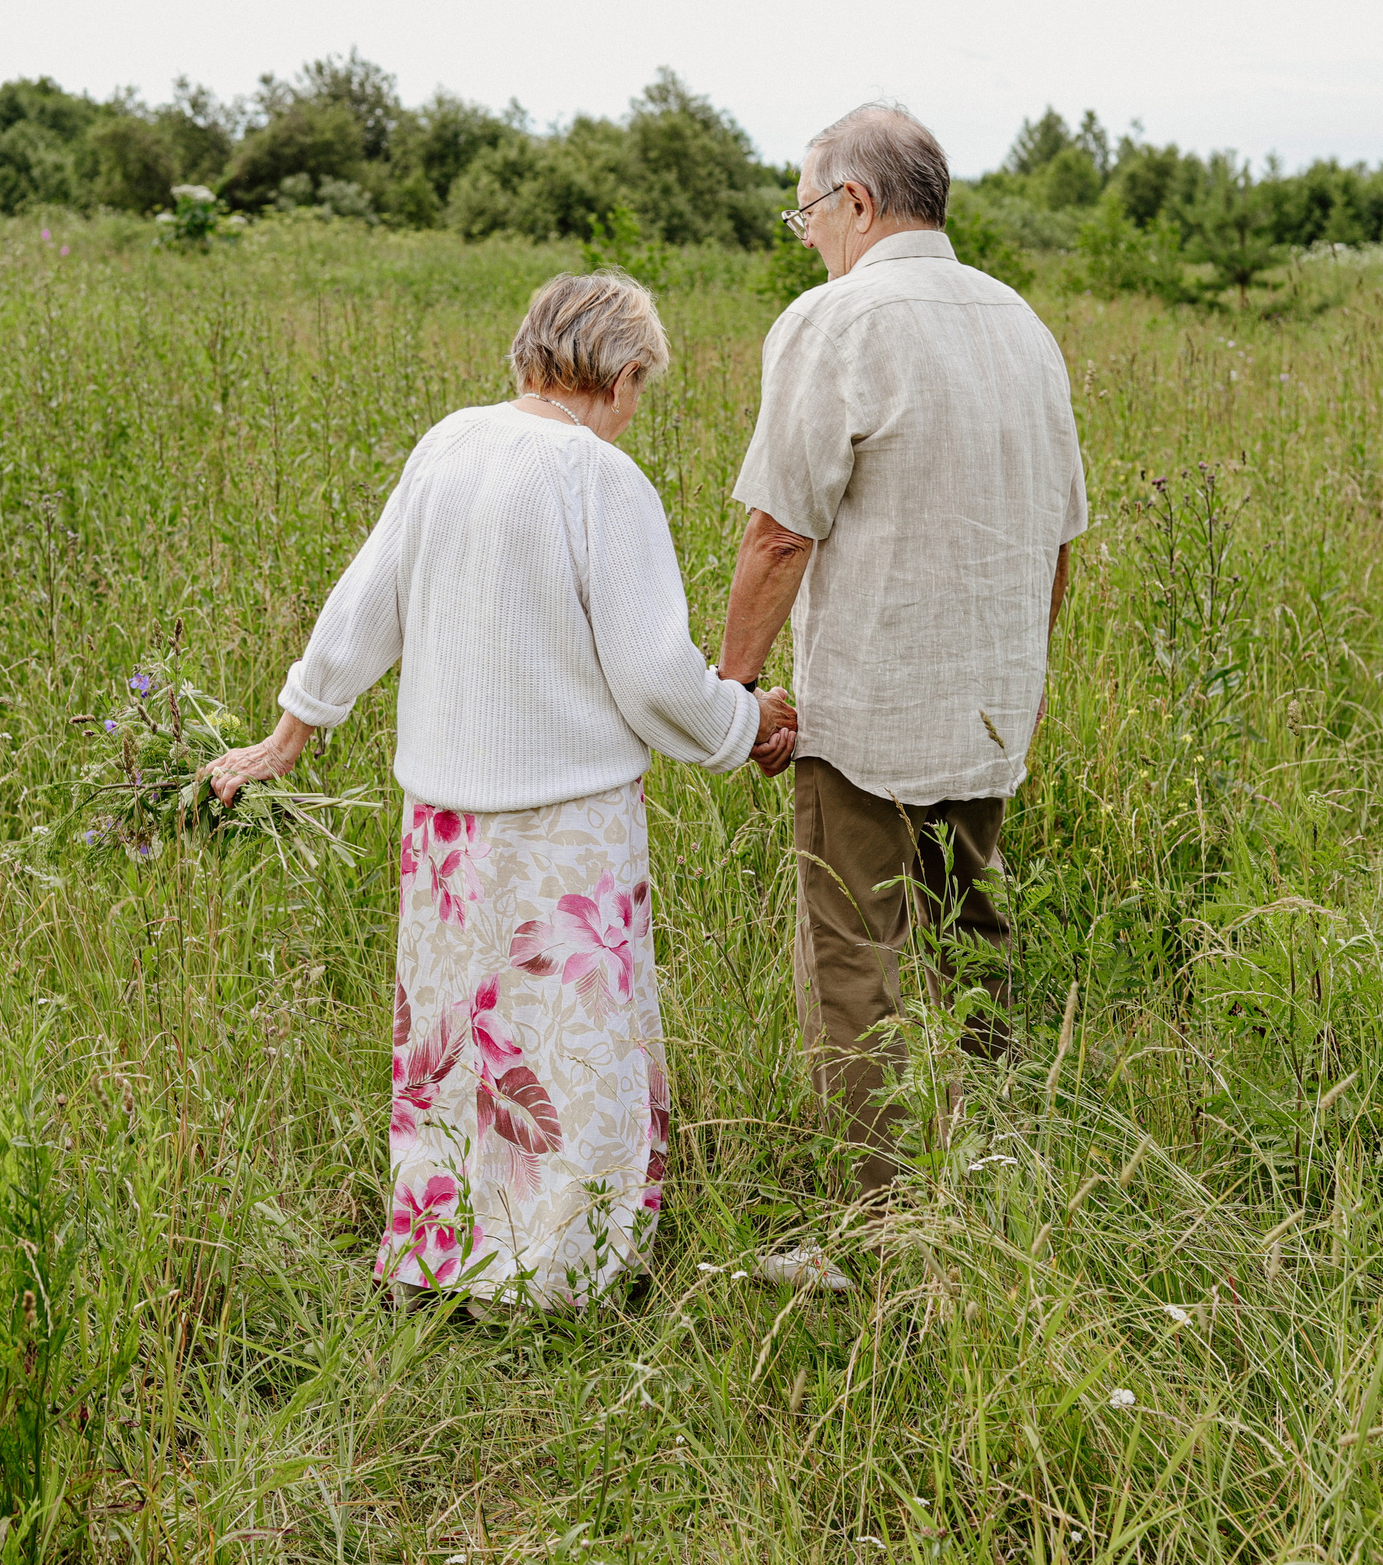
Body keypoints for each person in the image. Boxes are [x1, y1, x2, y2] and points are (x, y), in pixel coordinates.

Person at [207, 272, 797, 1317]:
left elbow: (366, 600)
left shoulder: (450, 443)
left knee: (452, 1040)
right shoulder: (597, 478)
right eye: (639, 392)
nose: (632, 414)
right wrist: (745, 726)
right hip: (565, 825)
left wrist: (291, 729)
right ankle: (559, 1271)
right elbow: (657, 675)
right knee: (565, 1046)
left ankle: (440, 1250)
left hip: (442, 821)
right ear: (618, 377)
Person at [716, 104, 1089, 1287]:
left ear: (859, 205)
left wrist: (732, 692)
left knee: (854, 964)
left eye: (807, 211)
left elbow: (779, 531)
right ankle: (984, 1185)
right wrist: (1017, 677)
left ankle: (877, 1237)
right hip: (988, 701)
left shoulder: (836, 320)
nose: (806, 236)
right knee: (969, 939)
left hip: (866, 710)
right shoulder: (1021, 322)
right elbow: (1062, 539)